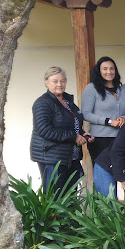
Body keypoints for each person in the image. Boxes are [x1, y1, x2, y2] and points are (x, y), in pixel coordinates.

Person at [31, 66, 93, 194]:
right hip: (51, 156)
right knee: (55, 197)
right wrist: (74, 137)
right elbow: (44, 129)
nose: (60, 84)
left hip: (71, 156)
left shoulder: (67, 100)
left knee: (70, 195)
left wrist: (82, 133)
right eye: (55, 81)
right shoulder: (43, 103)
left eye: (63, 81)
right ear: (46, 83)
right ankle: (55, 216)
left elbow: (72, 123)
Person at [81, 56, 125, 164]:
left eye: (111, 68)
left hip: (121, 138)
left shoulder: (121, 89)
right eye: (105, 69)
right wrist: (109, 121)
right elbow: (86, 114)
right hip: (100, 139)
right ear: (99, 71)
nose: (109, 72)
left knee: (119, 173)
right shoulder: (91, 88)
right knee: (103, 175)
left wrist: (124, 118)